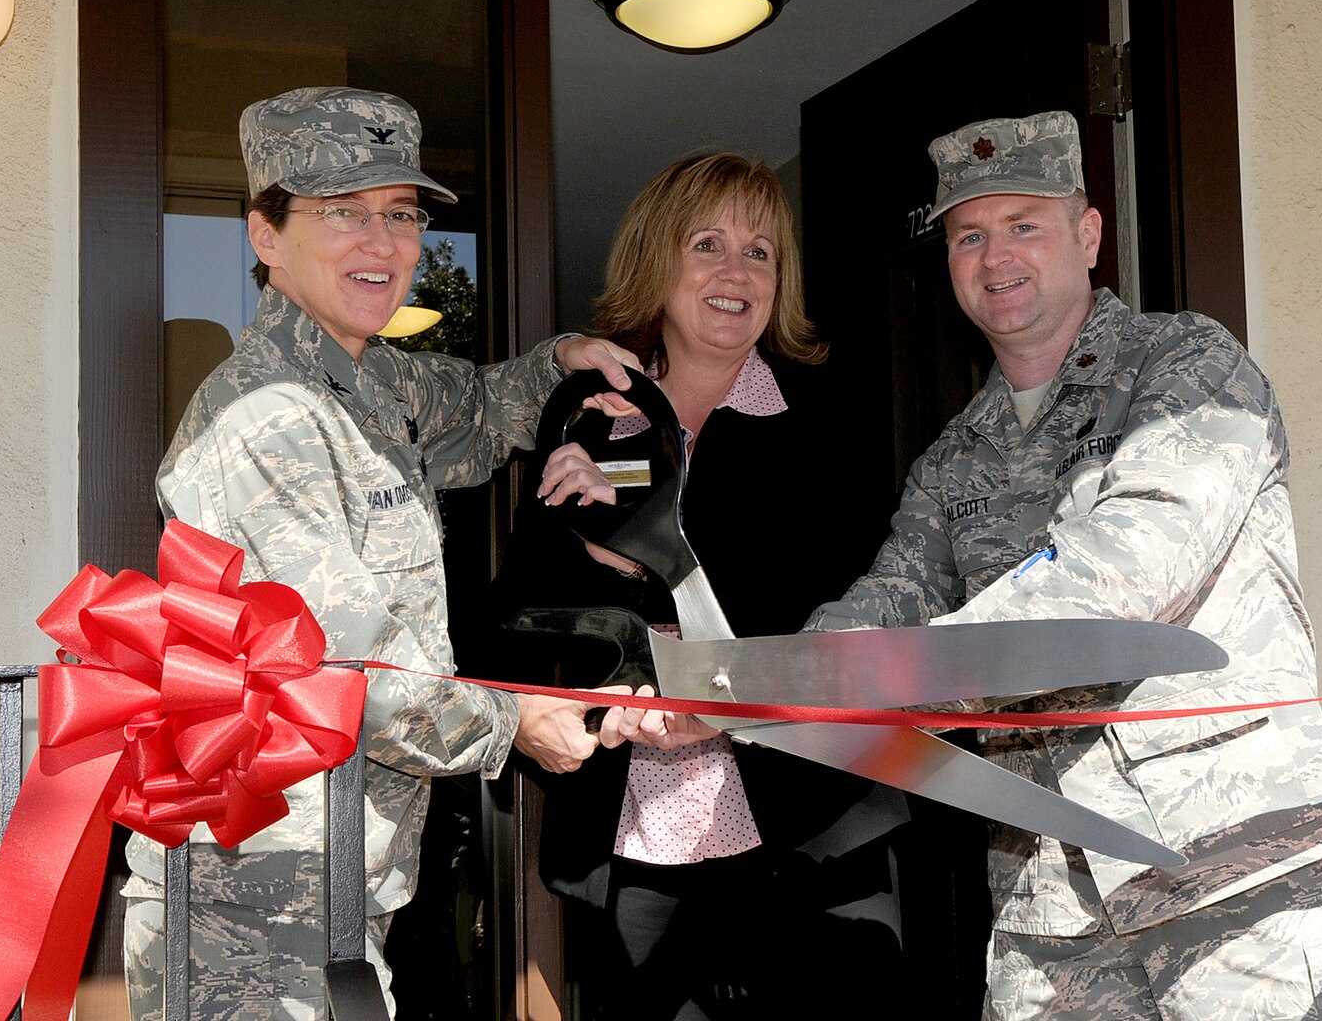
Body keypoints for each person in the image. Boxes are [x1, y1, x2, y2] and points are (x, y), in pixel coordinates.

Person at [805, 110, 1322, 1018]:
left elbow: (1116, 578)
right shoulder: (953, 458)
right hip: (1052, 906)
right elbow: (890, 597)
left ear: (1088, 236)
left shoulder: (1187, 366)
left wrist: (901, 678)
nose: (996, 256)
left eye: (1024, 225)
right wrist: (754, 682)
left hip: (1233, 863)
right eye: (969, 235)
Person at [120, 85, 639, 1021]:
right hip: (252, 902)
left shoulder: (369, 377)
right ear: (265, 236)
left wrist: (565, 360)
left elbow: (481, 408)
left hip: (335, 890)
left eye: (399, 214)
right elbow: (348, 667)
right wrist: (513, 724)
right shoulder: (267, 417)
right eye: (343, 213)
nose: (384, 242)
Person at [491, 151, 914, 1019]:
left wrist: (653, 539)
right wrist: (599, 556)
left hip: (814, 825)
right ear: (658, 261)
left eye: (760, 252)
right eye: (708, 244)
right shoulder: (583, 416)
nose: (735, 271)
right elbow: (516, 624)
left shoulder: (829, 419)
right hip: (638, 830)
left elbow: (849, 608)